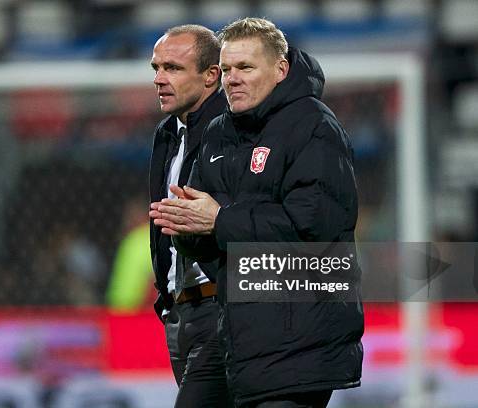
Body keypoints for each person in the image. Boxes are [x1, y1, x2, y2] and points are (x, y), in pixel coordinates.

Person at [150, 17, 364, 408]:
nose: (233, 79)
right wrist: (188, 229)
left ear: (280, 69)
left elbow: (313, 229)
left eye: (246, 67)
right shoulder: (219, 132)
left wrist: (218, 221)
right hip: (239, 331)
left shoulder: (314, 126)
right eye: (228, 69)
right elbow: (207, 233)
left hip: (301, 335)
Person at [148, 25, 231, 407]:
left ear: (211, 75)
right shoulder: (166, 134)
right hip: (179, 313)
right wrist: (167, 302)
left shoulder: (236, 133)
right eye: (156, 68)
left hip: (221, 309)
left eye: (173, 68)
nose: (159, 79)